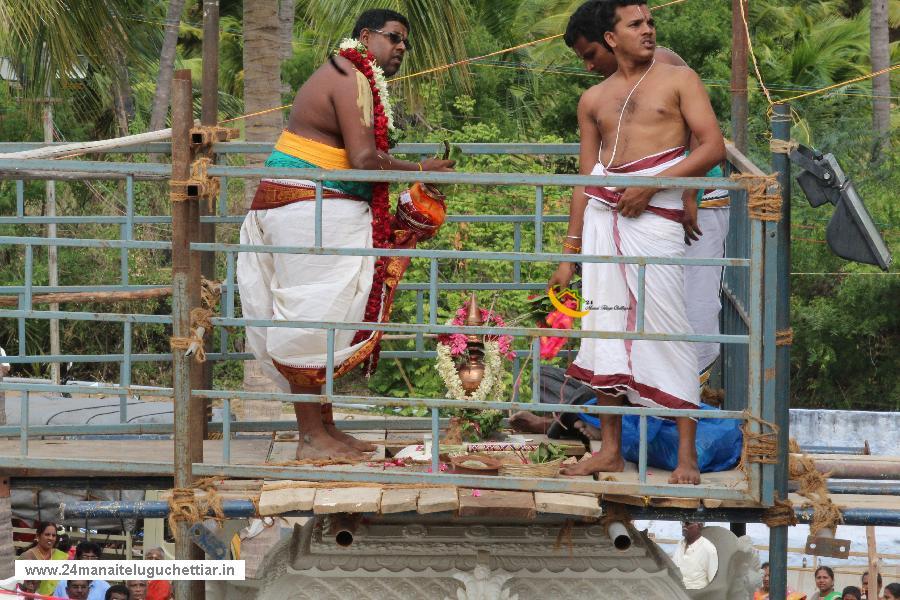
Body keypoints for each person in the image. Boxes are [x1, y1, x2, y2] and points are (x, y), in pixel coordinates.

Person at [237, 8, 454, 462]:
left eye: (404, 42)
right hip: (307, 205)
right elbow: (362, 159)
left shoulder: (352, 72)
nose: (400, 49)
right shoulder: (347, 74)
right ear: (365, 36)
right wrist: (420, 169)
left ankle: (326, 429)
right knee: (311, 319)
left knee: (325, 320)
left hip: (311, 204)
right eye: (394, 38)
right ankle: (310, 438)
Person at [509, 0, 730, 436]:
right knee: (610, 317)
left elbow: (699, 144)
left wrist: (684, 192)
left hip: (683, 206)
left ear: (611, 39)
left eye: (591, 55)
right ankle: (614, 431)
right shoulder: (598, 97)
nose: (590, 67)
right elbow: (589, 175)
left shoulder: (668, 71)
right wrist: (569, 253)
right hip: (624, 209)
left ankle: (678, 431)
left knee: (680, 316)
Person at [16, 521, 69, 596]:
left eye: (53, 535)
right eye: (47, 535)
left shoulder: (61, 556)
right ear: (38, 536)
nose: (51, 538)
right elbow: (18, 585)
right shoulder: (27, 557)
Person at [671, 521, 718, 589]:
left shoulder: (708, 549)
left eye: (688, 523)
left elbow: (713, 583)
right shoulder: (680, 544)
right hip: (677, 592)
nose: (684, 526)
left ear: (700, 525)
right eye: (683, 522)